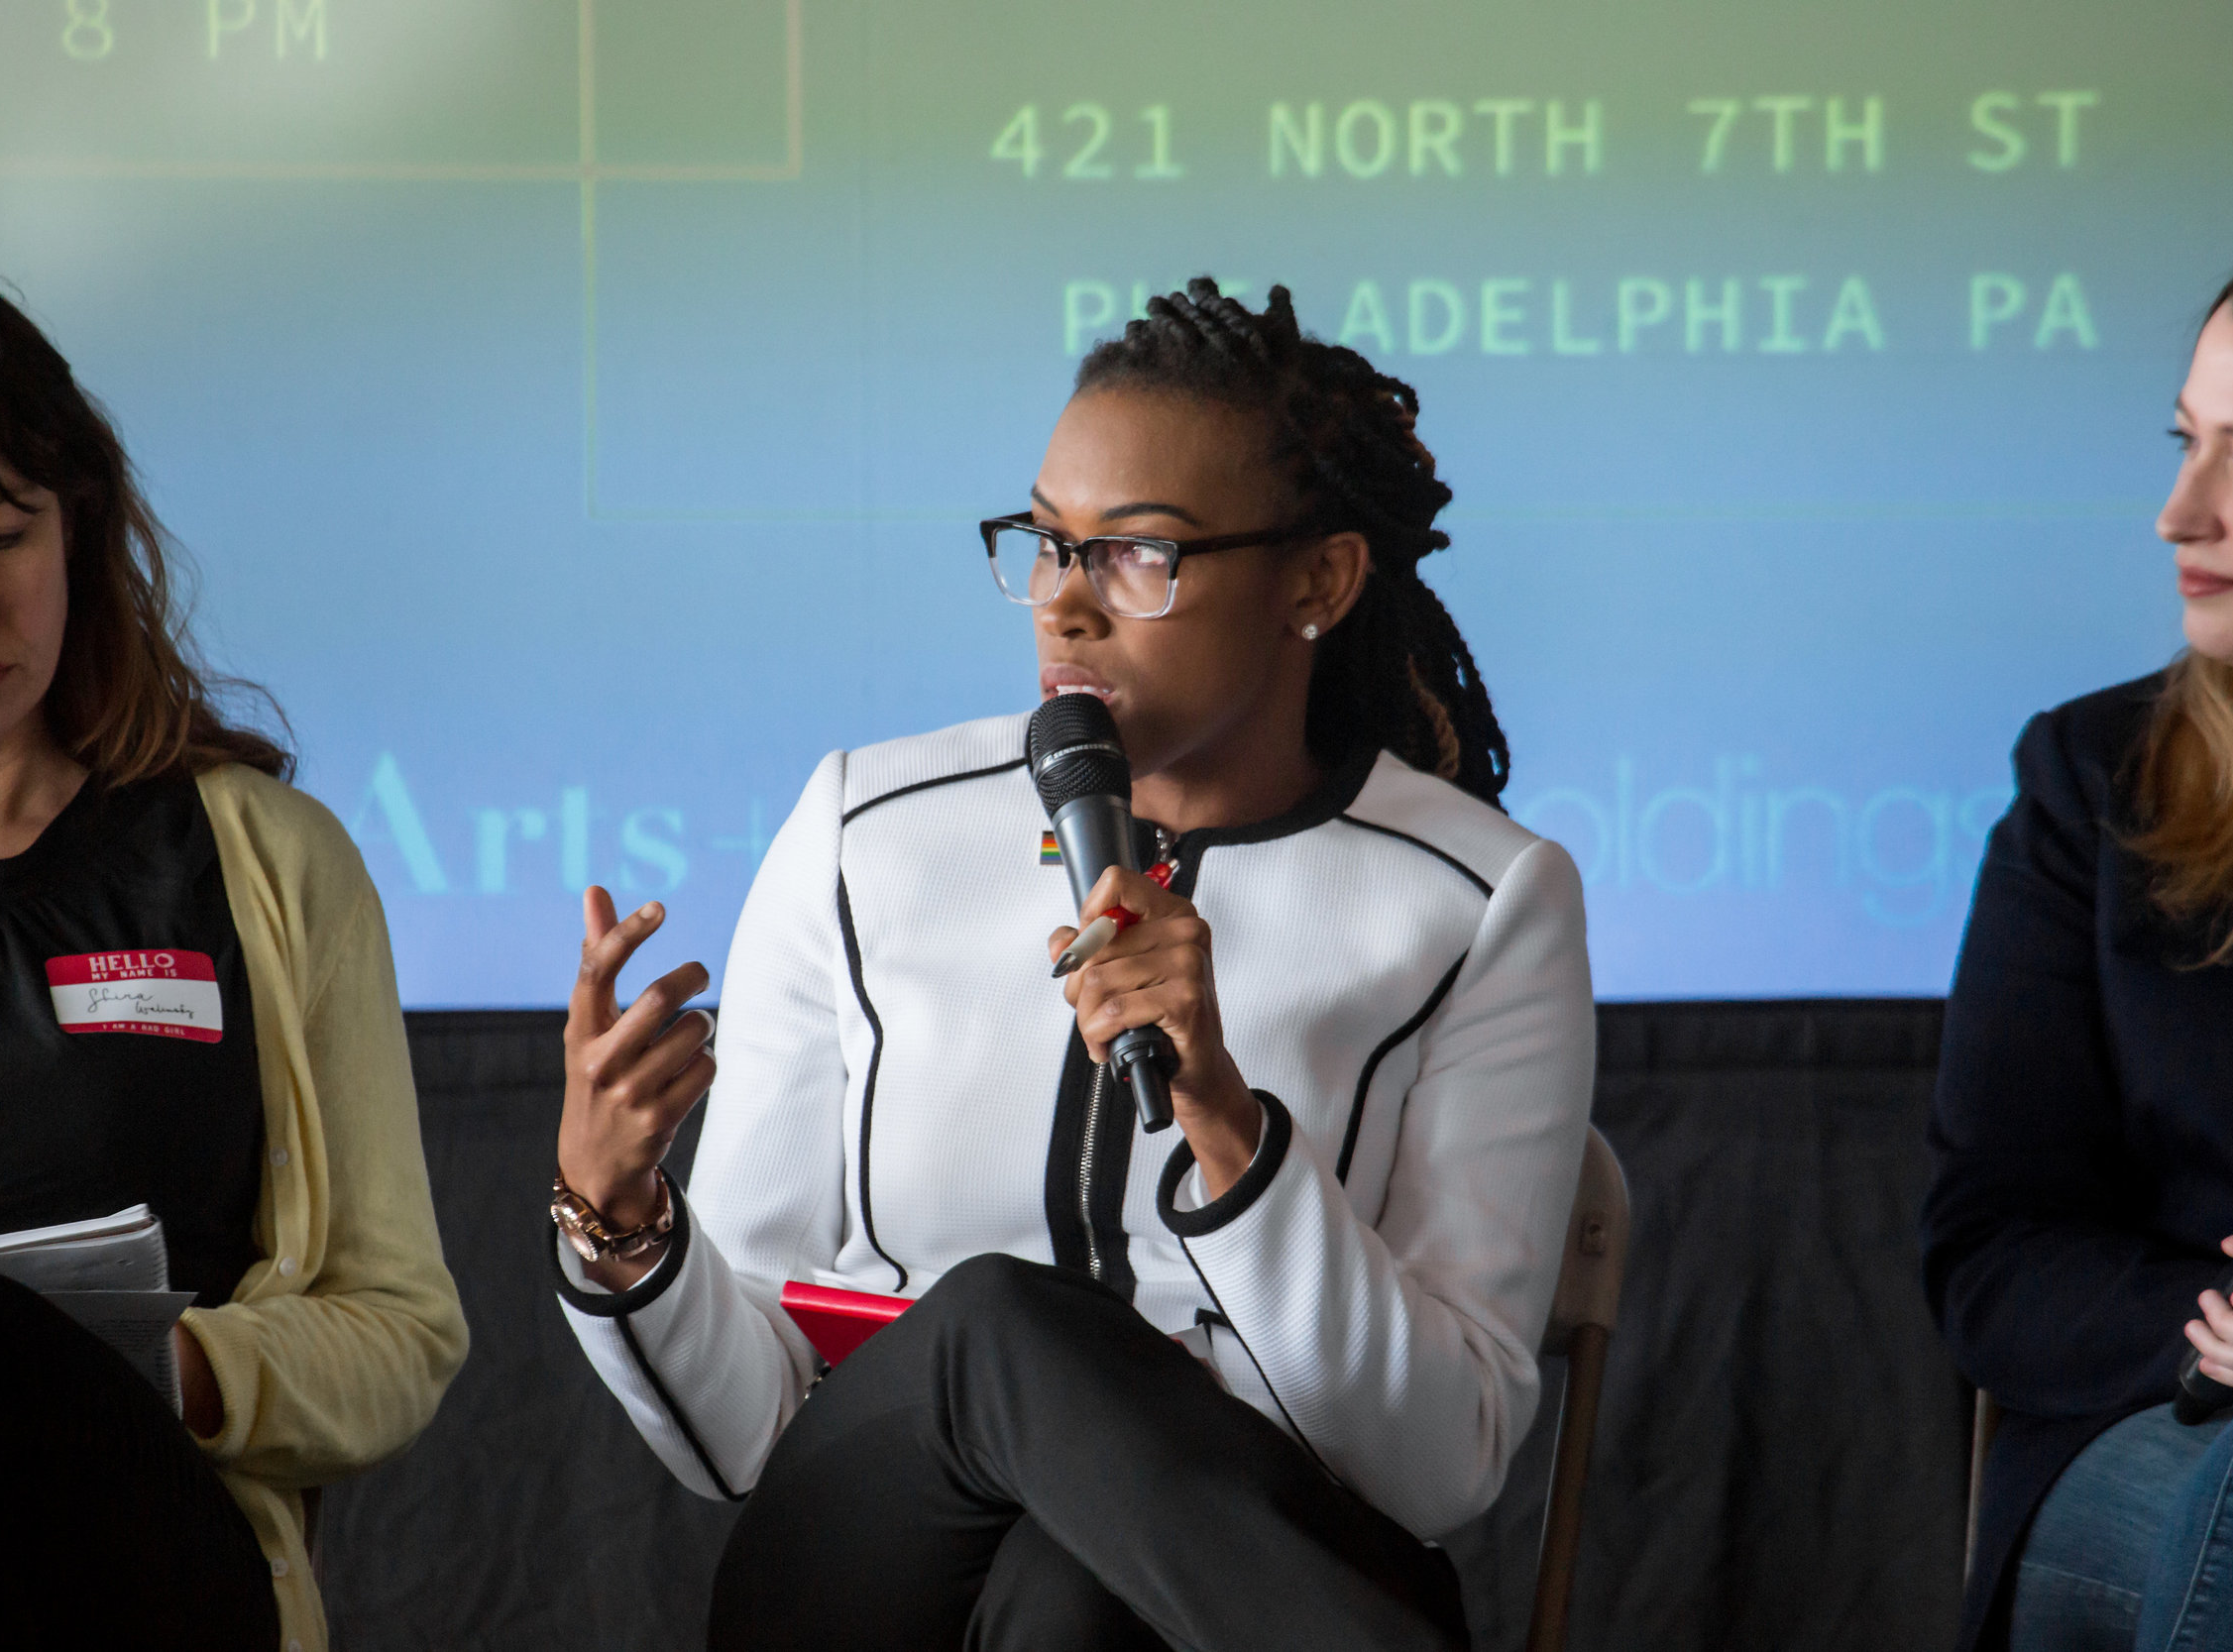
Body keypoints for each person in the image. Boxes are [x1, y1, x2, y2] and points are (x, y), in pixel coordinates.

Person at [552, 278, 1595, 1650]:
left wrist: (1230, 1129)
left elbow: (1443, 1461)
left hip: (1191, 1595)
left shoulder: (1476, 903)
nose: (1063, 606)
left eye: (1136, 556)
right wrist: (612, 1214)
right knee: (993, 1324)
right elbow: (748, 1435)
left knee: (1072, 1599)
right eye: (1046, 543)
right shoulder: (867, 834)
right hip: (863, 1581)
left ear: (1319, 581)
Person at [0, 245, 468, 1651]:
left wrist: (178, 1367)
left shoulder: (268, 864)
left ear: (79, 523)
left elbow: (402, 1330)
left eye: (5, 528)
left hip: (151, 1561)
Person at [1925, 223, 2233, 1652]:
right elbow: (1990, 1255)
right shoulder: (2093, 781)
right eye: (2185, 445)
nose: (2179, 517)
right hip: (2159, 1427)